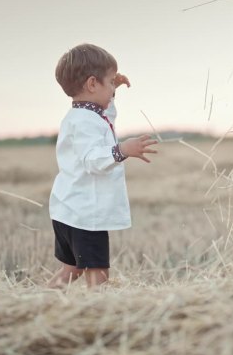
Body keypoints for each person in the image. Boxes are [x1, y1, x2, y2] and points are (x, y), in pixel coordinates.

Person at [48, 43, 157, 287]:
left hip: (70, 210)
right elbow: (92, 160)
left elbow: (107, 118)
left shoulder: (84, 115)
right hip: (87, 214)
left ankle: (39, 302)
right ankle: (98, 311)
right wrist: (122, 150)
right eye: (109, 82)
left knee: (72, 269)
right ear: (92, 84)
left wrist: (113, 92)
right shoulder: (85, 121)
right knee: (98, 272)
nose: (112, 87)